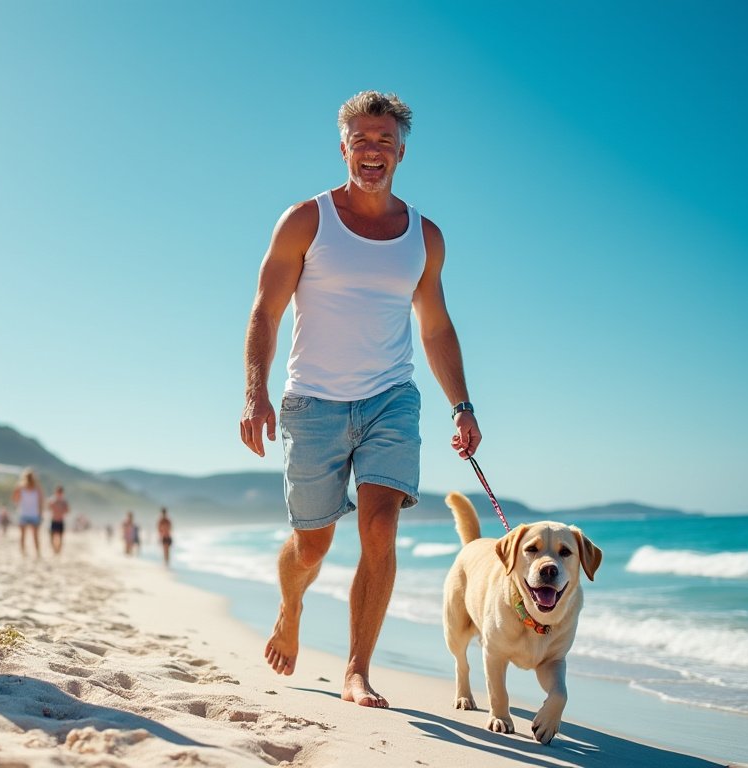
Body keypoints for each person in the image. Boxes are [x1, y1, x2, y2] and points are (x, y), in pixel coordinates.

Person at [240, 91, 481, 708]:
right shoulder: (305, 220)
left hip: (390, 399)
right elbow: (266, 310)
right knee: (313, 544)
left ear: (401, 150)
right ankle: (291, 608)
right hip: (312, 403)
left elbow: (435, 327)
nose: (373, 151)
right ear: (343, 147)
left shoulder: (424, 237)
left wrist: (461, 404)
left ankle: (357, 670)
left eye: (384, 141)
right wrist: (255, 394)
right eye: (361, 141)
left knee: (379, 528)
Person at [11, 468, 44, 557]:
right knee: (35, 536)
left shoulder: (21, 487)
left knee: (23, 535)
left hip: (24, 513)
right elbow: (41, 502)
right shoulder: (37, 488)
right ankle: (37, 553)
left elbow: (14, 499)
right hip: (32, 514)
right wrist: (41, 514)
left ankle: (24, 552)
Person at [48, 485, 70, 555]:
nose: (59, 493)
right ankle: (55, 550)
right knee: (52, 536)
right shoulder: (52, 500)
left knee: (60, 537)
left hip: (60, 521)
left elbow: (67, 511)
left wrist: (62, 510)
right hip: (54, 520)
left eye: (60, 491)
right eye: (58, 491)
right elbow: (48, 508)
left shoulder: (64, 501)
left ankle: (58, 551)